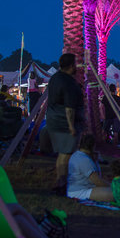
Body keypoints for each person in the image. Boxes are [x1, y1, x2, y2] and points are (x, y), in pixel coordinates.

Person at [46, 53, 84, 195]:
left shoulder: (54, 78)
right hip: (64, 122)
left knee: (62, 154)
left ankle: (59, 181)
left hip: (53, 120)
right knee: (67, 155)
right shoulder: (68, 82)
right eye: (75, 64)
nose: (76, 67)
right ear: (70, 66)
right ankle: (62, 184)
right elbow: (69, 108)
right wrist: (71, 126)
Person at [67, 134, 114, 202]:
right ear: (92, 146)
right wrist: (112, 186)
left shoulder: (77, 155)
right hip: (80, 192)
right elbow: (97, 181)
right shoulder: (84, 159)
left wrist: (95, 160)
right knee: (116, 193)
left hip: (80, 189)